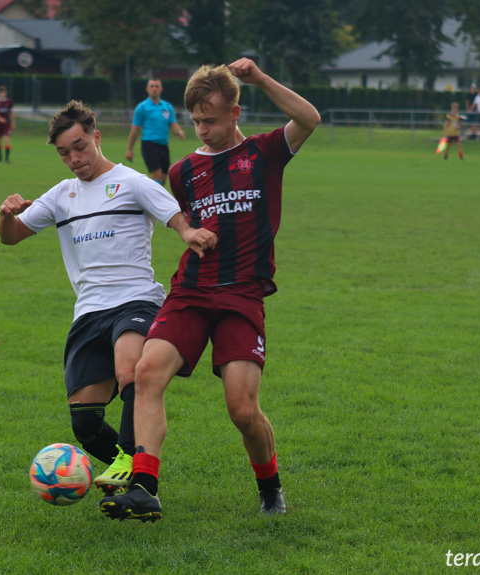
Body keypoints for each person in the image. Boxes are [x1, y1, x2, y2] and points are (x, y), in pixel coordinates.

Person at [100, 58, 321, 521]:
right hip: (191, 291)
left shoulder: (264, 153)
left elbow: (309, 119)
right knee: (147, 373)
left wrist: (259, 78)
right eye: (195, 120)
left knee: (242, 410)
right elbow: (174, 219)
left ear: (235, 114)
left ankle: (270, 487)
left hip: (242, 296)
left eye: (210, 120)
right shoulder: (183, 173)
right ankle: (144, 486)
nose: (201, 129)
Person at [0, 100, 216, 495]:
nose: (74, 158)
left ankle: (134, 464)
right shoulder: (61, 195)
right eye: (65, 152)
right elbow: (10, 236)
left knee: (129, 369)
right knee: (84, 422)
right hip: (88, 311)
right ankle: (127, 462)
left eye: (80, 146)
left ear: (96, 138)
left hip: (136, 300)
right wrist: (5, 215)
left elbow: (174, 215)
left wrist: (188, 233)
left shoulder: (131, 182)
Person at [125, 78, 185, 185]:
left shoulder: (167, 107)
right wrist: (129, 149)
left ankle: (155, 199)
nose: (154, 89)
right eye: (151, 86)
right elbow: (134, 131)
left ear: (161, 89)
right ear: (147, 89)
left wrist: (179, 132)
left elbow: (172, 124)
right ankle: (155, 201)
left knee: (163, 180)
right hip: (149, 145)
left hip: (164, 146)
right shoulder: (142, 107)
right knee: (156, 178)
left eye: (156, 86)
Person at [0, 85, 15, 163]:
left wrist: (13, 123)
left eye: (4, 93)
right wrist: (0, 119)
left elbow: (11, 113)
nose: (2, 94)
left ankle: (7, 158)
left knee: (7, 139)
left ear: (6, 93)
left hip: (6, 124)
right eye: (1, 93)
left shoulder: (9, 102)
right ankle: (0, 157)